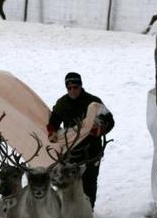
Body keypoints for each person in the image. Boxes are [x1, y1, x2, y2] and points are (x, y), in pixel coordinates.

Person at [46, 72, 115, 206]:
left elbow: (110, 120)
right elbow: (53, 121)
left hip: (91, 151)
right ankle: (70, 210)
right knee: (68, 182)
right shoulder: (62, 103)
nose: (72, 90)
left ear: (81, 85)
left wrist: (98, 128)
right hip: (71, 152)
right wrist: (52, 132)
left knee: (89, 182)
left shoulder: (93, 102)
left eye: (75, 87)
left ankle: (88, 210)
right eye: (69, 87)